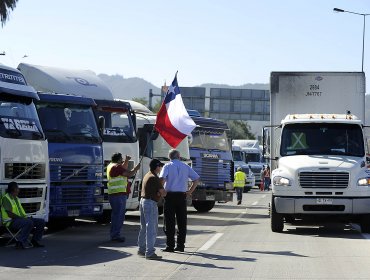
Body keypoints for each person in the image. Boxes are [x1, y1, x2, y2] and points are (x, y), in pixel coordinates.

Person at [159, 149, 200, 253]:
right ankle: (181, 246)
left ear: (170, 157)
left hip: (170, 196)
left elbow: (162, 179)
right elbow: (196, 179)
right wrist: (190, 191)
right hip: (182, 196)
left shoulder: (167, 166)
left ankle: (170, 246)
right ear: (179, 156)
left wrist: (162, 191)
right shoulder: (185, 166)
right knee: (182, 222)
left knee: (169, 221)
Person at [1, 181, 45, 249]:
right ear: (14, 189)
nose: (19, 189)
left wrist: (24, 217)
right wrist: (21, 218)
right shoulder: (6, 199)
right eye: (17, 188)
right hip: (10, 221)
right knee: (28, 222)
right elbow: (9, 214)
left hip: (20, 219)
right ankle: (20, 242)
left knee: (41, 222)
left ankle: (35, 240)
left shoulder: (16, 198)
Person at [107, 152, 140, 242]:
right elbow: (128, 174)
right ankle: (115, 235)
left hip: (115, 194)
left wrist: (126, 160)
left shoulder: (112, 165)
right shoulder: (116, 167)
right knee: (119, 216)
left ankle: (114, 234)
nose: (122, 161)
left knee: (116, 215)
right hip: (118, 195)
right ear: (118, 160)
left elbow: (123, 169)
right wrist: (135, 169)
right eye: (121, 159)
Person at [137, 159, 166, 260]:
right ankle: (149, 252)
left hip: (143, 201)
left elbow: (158, 192)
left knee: (144, 227)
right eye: (160, 166)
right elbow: (163, 193)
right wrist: (161, 187)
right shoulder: (154, 178)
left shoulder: (147, 174)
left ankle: (141, 249)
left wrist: (158, 192)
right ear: (156, 167)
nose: (161, 168)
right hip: (150, 202)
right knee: (151, 228)